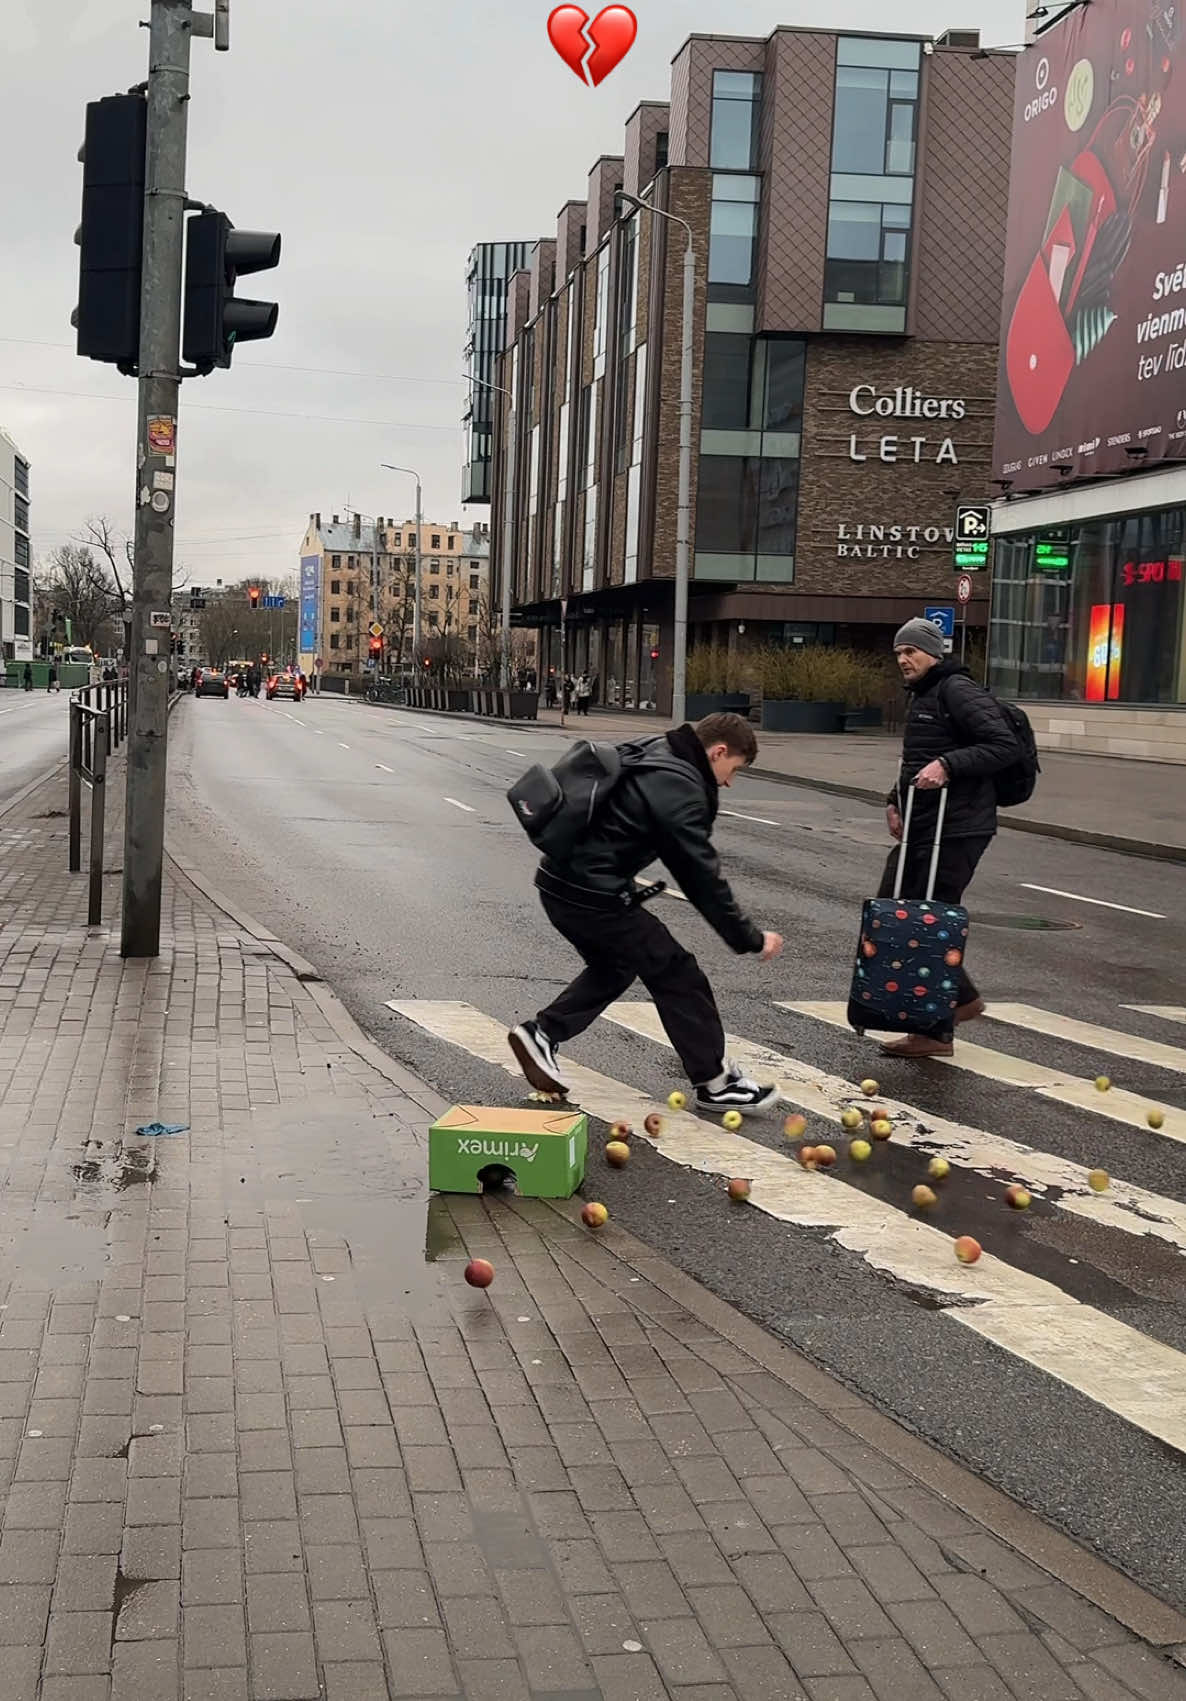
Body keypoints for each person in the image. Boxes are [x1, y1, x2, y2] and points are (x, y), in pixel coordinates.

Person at [509, 712, 784, 1113]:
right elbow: (700, 876)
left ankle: (542, 1034)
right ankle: (716, 1082)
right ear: (719, 751)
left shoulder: (656, 749)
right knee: (677, 972)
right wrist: (750, 937)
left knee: (616, 967)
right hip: (594, 894)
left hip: (559, 882)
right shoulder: (681, 786)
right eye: (733, 769)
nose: (728, 782)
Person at [879, 617, 1020, 1059]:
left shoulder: (957, 690)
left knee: (925, 922)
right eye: (899, 653)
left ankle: (937, 1026)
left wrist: (948, 765)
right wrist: (894, 799)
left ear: (933, 653)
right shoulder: (925, 693)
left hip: (956, 828)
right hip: (927, 821)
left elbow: (1003, 746)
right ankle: (954, 1006)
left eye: (912, 652)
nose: (904, 660)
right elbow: (917, 760)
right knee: (899, 910)